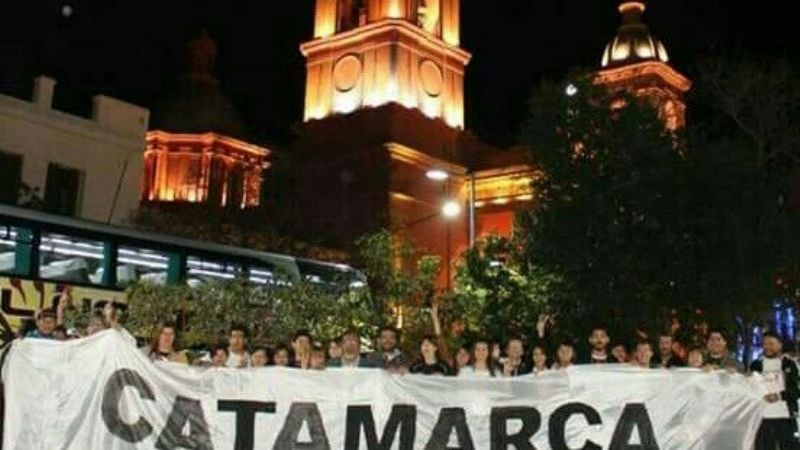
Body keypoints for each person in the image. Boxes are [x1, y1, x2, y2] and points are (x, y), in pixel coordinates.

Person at [750, 333, 800, 450]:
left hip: (786, 416)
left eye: (771, 344)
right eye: (765, 344)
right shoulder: (756, 364)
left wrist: (779, 396)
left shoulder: (790, 364)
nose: (767, 347)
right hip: (762, 418)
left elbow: (796, 390)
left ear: (779, 345)